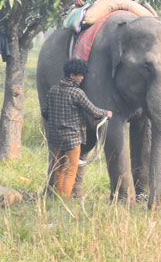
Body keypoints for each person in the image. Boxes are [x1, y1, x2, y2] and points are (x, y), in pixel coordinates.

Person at [41, 59, 112, 198]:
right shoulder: (77, 93)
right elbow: (94, 111)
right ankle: (64, 200)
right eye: (80, 75)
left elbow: (45, 112)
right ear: (72, 75)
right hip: (72, 139)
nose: (82, 77)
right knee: (70, 170)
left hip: (56, 138)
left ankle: (57, 198)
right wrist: (107, 113)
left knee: (59, 169)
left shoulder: (53, 90)